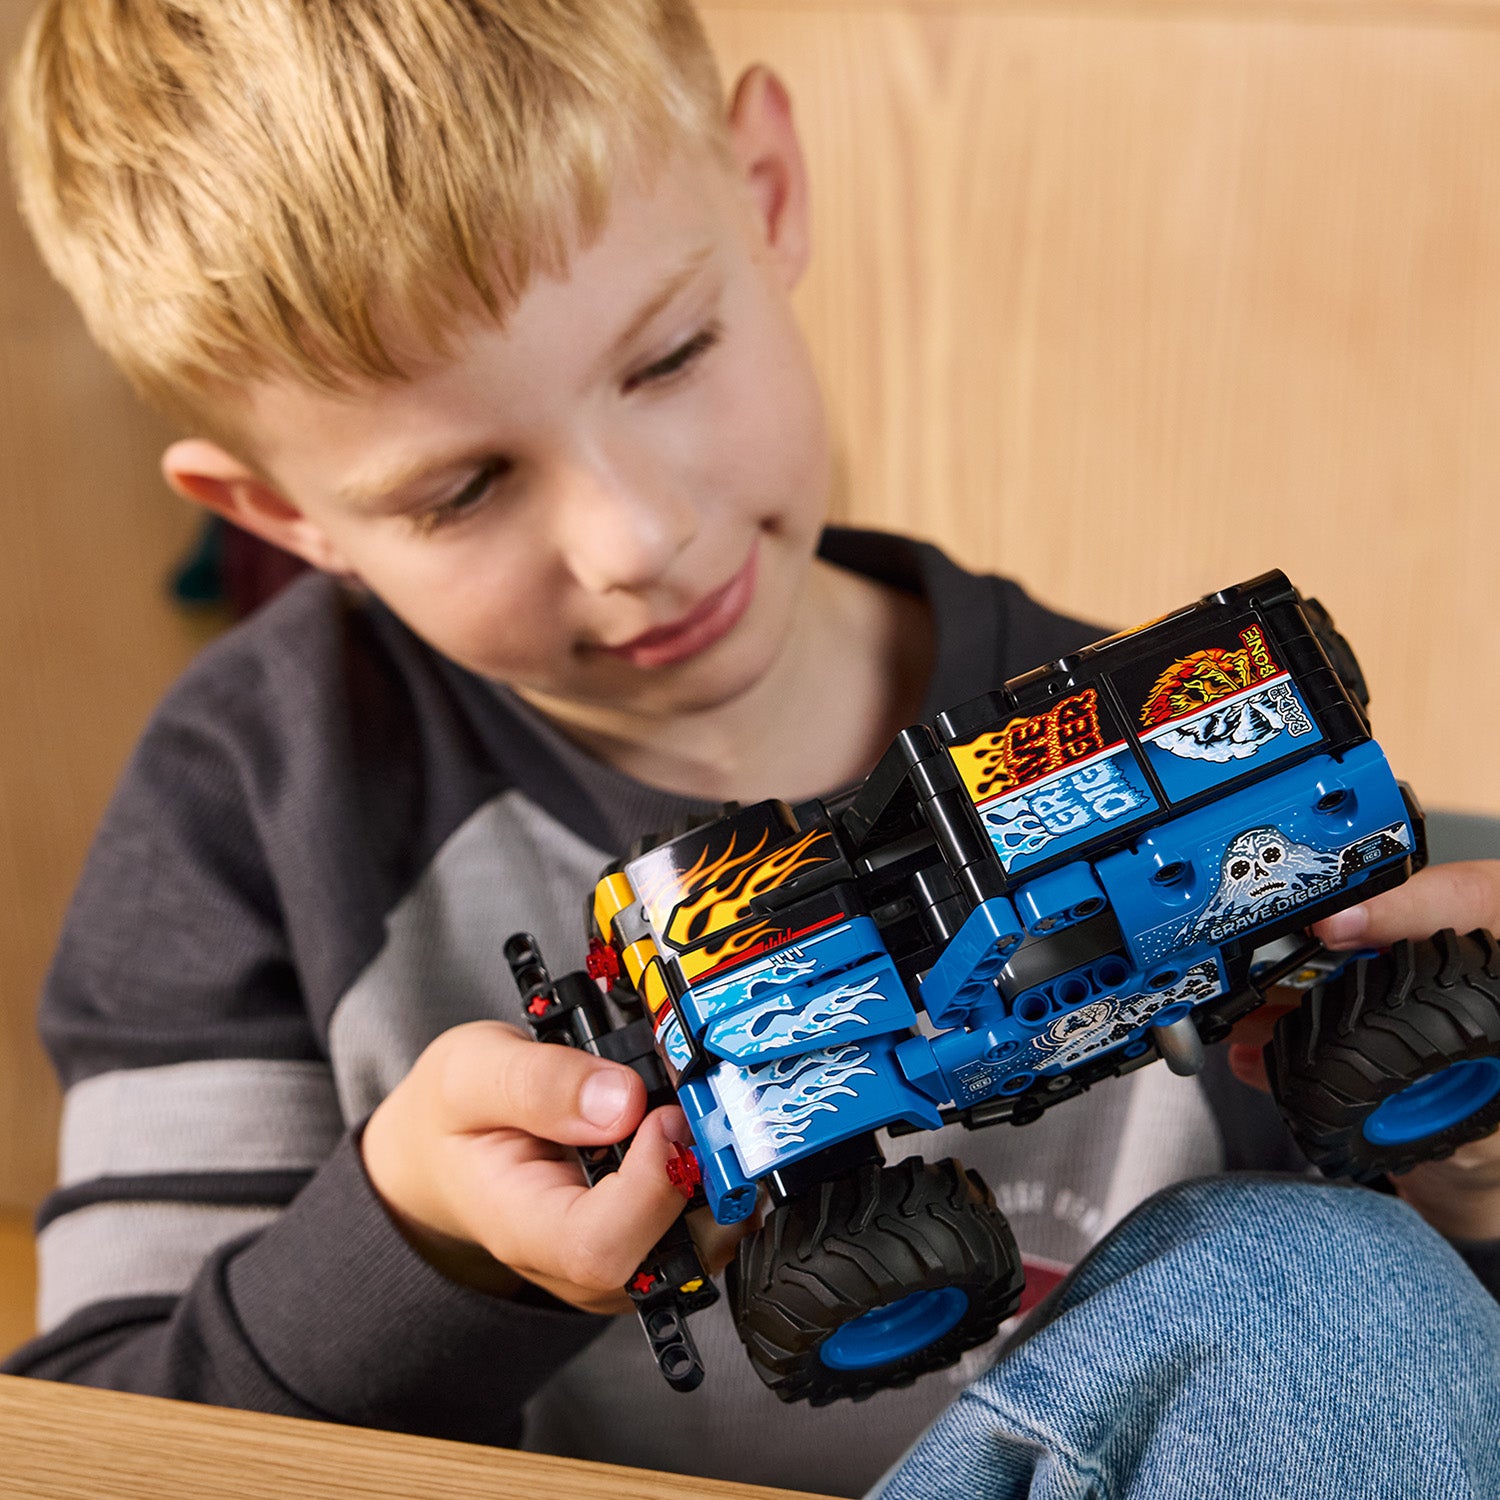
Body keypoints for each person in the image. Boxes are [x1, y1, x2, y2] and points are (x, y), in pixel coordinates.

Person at [3, 2, 1497, 1494]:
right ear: (281, 516)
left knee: (1320, 1280)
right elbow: (104, 1449)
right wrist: (420, 1243)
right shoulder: (261, 798)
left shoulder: (1157, 733)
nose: (635, 538)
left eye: (669, 357)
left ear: (770, 190)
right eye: (463, 491)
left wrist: (1476, 1184)